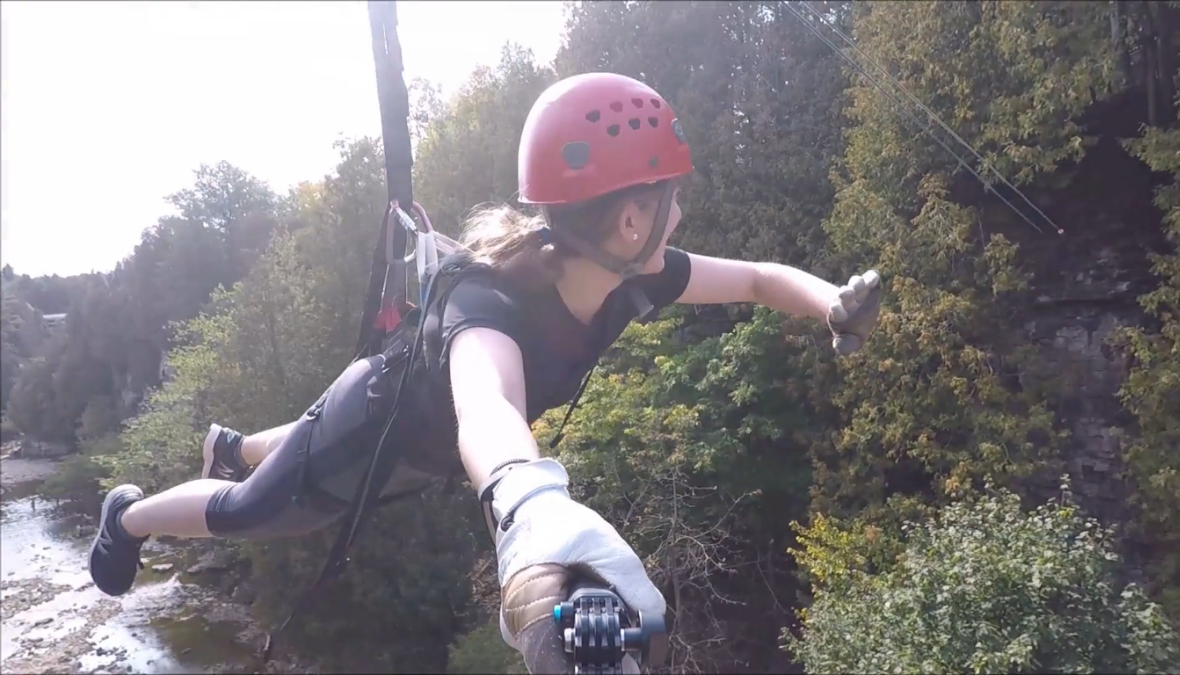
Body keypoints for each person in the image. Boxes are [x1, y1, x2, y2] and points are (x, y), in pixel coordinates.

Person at [86, 72, 881, 667]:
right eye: (672, 201)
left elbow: (754, 278)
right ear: (629, 218)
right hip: (381, 427)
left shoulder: (633, 269)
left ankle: (236, 440)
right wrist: (533, 511)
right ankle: (129, 514)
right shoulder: (489, 307)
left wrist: (830, 305)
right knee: (253, 512)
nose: (681, 217)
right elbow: (488, 406)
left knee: (299, 446)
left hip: (422, 445)